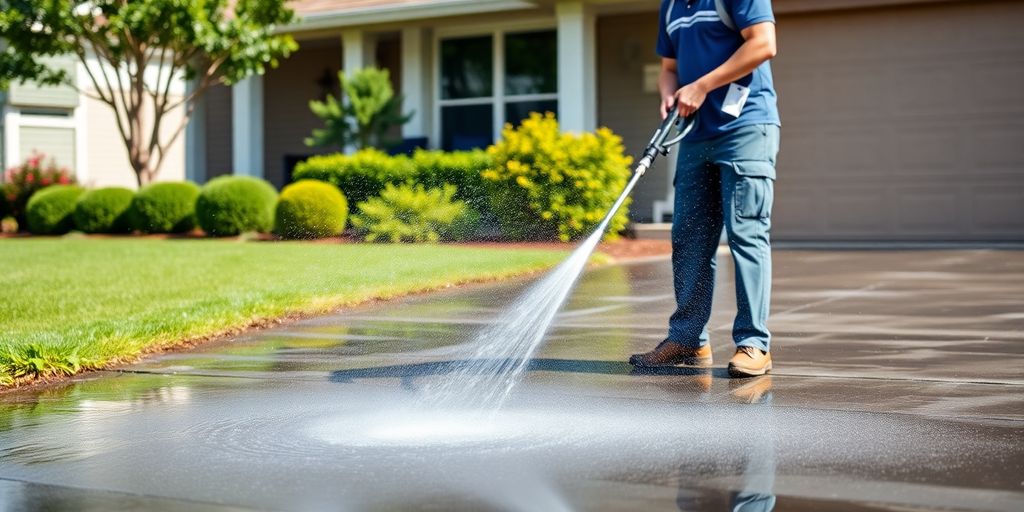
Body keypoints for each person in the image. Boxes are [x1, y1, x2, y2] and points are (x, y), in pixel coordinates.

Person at [629, 0, 780, 377]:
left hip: (745, 127)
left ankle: (753, 344)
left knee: (746, 233)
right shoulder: (672, 6)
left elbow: (763, 43)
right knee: (689, 236)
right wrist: (669, 92)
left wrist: (701, 85)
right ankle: (688, 340)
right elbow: (669, 68)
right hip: (696, 135)